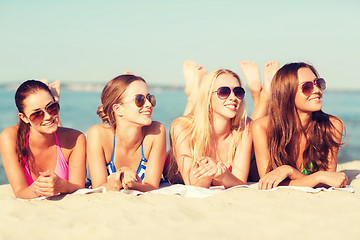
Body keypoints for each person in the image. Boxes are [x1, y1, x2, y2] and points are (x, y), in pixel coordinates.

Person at [164, 60, 279, 187]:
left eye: (238, 92)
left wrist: (222, 174)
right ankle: (193, 95)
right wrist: (213, 172)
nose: (233, 97)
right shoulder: (182, 127)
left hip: (216, 128)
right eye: (223, 92)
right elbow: (194, 184)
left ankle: (262, 97)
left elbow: (239, 182)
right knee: (189, 120)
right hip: (172, 164)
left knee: (253, 126)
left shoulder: (245, 127)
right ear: (208, 97)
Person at [252, 62, 348, 189]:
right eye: (307, 87)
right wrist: (318, 177)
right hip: (251, 171)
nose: (317, 90)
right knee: (248, 126)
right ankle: (261, 96)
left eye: (318, 83)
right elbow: (269, 182)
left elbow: (328, 180)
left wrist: (289, 171)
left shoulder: (332, 126)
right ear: (287, 93)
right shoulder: (262, 127)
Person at [0, 80, 86, 199]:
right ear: (23, 117)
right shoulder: (9, 138)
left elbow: (79, 186)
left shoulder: (76, 139)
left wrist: (61, 185)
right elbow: (20, 191)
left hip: (55, 137)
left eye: (52, 107)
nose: (48, 116)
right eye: (37, 114)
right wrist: (42, 187)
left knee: (51, 126)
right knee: (50, 125)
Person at [87, 74, 166, 192]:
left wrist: (129, 184)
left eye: (150, 98)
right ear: (118, 109)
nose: (149, 105)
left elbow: (152, 186)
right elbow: (98, 188)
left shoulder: (156, 131)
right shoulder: (98, 135)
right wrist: (122, 174)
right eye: (139, 100)